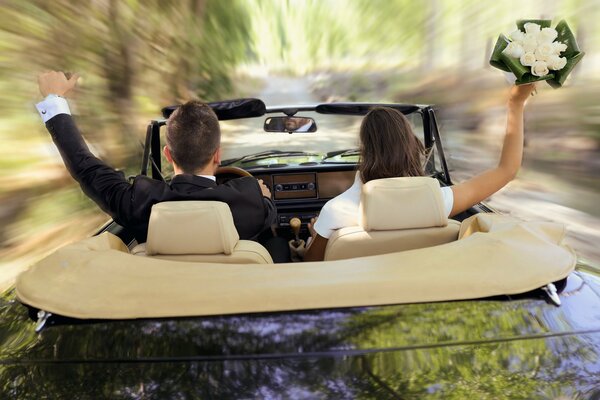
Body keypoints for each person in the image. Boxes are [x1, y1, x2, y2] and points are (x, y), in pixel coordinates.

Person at [35, 71, 277, 247]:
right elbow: (269, 219)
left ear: (168, 154)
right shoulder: (251, 199)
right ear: (218, 155)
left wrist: (54, 99)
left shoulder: (137, 202)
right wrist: (264, 198)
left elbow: (84, 166)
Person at [301, 83, 537, 261]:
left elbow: (311, 268)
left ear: (365, 151)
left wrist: (314, 235)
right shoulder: (439, 202)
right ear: (412, 146)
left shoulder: (336, 212)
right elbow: (507, 170)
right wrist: (515, 103)